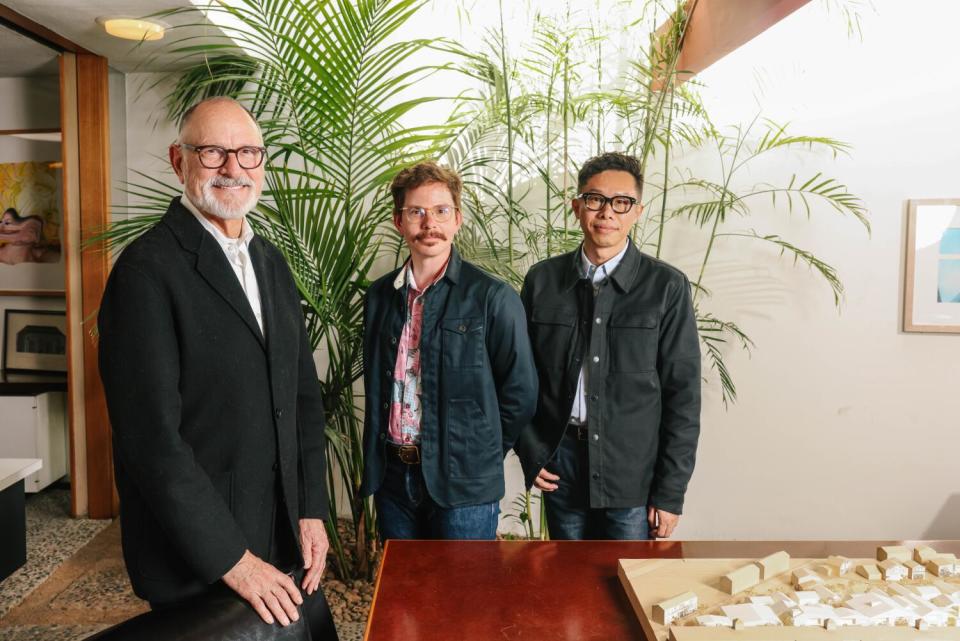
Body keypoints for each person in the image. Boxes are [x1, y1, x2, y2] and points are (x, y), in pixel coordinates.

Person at [98, 96, 337, 638]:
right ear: (179, 161)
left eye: (248, 153)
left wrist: (310, 509)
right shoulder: (145, 272)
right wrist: (235, 559)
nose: (233, 168)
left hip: (278, 531)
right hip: (200, 555)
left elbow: (300, 398)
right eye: (213, 152)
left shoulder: (269, 260)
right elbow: (150, 441)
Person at [514, 151, 701, 540]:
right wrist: (531, 450)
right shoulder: (542, 281)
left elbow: (683, 396)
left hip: (632, 470)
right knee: (568, 584)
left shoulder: (666, 287)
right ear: (577, 207)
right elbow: (519, 377)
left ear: (638, 211)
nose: (607, 213)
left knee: (627, 584)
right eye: (595, 200)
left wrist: (670, 492)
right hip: (559, 463)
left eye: (621, 202)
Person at [360, 161, 538, 540]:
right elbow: (378, 385)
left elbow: (520, 392)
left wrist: (479, 451)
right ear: (398, 221)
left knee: (463, 597)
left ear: (457, 219)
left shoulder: (492, 297)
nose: (429, 224)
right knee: (405, 594)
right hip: (392, 478)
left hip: (464, 484)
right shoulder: (380, 297)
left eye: (441, 211)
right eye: (416, 212)